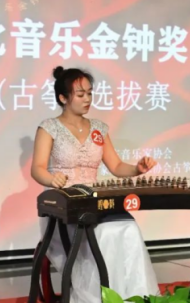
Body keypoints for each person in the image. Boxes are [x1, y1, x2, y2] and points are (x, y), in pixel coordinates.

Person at [31, 66, 160, 303]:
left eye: (90, 93)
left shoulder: (98, 128)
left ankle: (131, 296)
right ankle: (100, 296)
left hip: (95, 199)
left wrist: (136, 169)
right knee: (102, 234)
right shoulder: (49, 127)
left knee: (128, 227)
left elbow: (116, 166)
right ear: (63, 98)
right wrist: (52, 179)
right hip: (65, 204)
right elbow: (37, 168)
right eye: (80, 94)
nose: (87, 99)